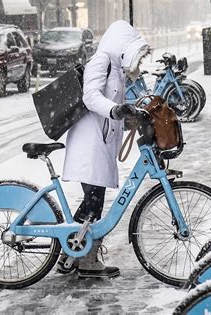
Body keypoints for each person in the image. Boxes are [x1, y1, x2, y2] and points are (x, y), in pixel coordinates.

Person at [58, 20, 151, 279]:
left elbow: (113, 102)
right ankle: (76, 256)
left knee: (93, 203)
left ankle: (77, 255)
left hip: (100, 142)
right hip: (89, 143)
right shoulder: (101, 60)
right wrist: (115, 110)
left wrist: (128, 111)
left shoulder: (117, 69)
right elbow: (91, 96)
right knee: (93, 203)